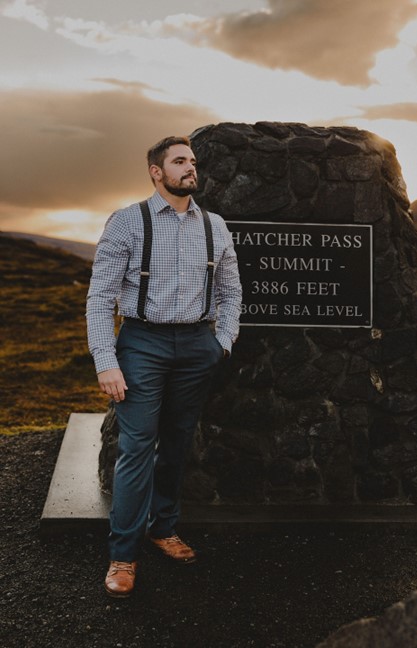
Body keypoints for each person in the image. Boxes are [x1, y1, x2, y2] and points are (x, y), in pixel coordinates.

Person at [86, 135, 242, 598]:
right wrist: (106, 361)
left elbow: (231, 291)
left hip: (197, 345)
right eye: (179, 161)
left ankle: (163, 528)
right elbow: (99, 299)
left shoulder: (214, 225)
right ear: (157, 172)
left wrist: (222, 343)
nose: (190, 168)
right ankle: (123, 554)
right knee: (137, 447)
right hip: (142, 345)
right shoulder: (127, 223)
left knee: (177, 442)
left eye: (192, 161)